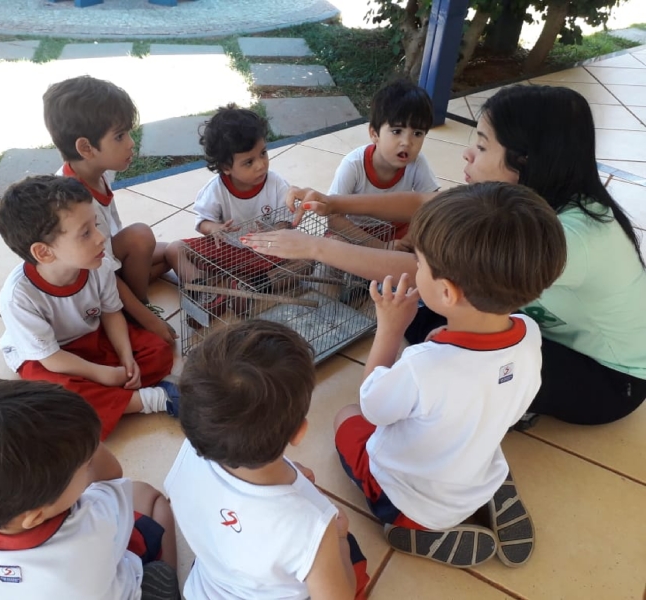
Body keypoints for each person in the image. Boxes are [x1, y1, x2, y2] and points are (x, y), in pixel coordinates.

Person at [244, 84, 646, 427]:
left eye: (482, 146)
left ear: (525, 161)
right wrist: (333, 203)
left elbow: (428, 272)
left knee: (441, 343)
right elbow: (427, 202)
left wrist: (314, 246)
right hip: (547, 332)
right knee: (426, 315)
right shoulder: (526, 201)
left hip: (607, 379)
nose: (467, 155)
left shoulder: (568, 236)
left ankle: (507, 406)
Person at [334, 182, 566, 569]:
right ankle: (491, 487)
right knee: (474, 427)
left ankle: (416, 531)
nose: (415, 268)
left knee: (345, 417)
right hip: (478, 465)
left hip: (410, 498)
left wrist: (389, 329)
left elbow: (372, 407)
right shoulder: (529, 333)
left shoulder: (424, 365)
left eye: (419, 263)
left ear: (445, 292)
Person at [164, 320, 370, 599]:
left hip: (207, 586)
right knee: (353, 560)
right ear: (299, 433)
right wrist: (341, 538)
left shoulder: (191, 449)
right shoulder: (311, 525)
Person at [0, 378, 180, 600]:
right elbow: (112, 474)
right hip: (100, 582)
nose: (90, 463)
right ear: (35, 515)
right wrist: (86, 436)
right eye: (86, 464)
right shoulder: (92, 529)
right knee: (149, 498)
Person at [0, 175, 178, 440]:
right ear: (44, 252)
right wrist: (102, 374)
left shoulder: (98, 265)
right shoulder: (18, 298)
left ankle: (110, 397)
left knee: (158, 351)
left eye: (96, 224)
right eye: (86, 233)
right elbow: (51, 358)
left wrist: (126, 358)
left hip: (91, 336)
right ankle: (152, 399)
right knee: (53, 397)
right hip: (49, 355)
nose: (101, 237)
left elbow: (112, 314)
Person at [43, 75, 177, 345]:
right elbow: (101, 270)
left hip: (103, 258)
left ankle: (129, 295)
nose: (131, 143)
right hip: (86, 275)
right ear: (86, 148)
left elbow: (109, 247)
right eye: (119, 136)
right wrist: (149, 319)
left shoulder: (94, 172)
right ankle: (134, 309)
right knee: (141, 237)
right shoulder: (75, 201)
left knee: (171, 251)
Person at [164, 105, 290, 312]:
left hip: (267, 252)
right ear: (226, 167)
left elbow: (286, 221)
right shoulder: (216, 189)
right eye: (249, 162)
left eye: (263, 153)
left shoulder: (276, 184)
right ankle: (204, 293)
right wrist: (214, 228)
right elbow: (203, 222)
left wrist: (274, 232)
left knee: (307, 260)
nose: (261, 165)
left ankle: (251, 287)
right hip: (228, 252)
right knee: (174, 249)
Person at [327, 79, 438, 242]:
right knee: (334, 243)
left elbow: (434, 207)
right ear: (374, 134)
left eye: (417, 134)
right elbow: (333, 217)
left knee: (434, 234)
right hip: (354, 231)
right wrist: (381, 248)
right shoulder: (353, 164)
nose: (407, 142)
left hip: (396, 229)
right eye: (397, 131)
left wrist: (407, 241)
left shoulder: (417, 162)